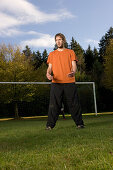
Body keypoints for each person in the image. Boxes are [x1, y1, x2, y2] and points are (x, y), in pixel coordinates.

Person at [46, 33, 84, 130]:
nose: (58, 42)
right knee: (54, 105)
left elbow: (74, 66)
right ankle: (50, 125)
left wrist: (73, 72)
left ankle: (80, 124)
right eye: (56, 40)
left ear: (64, 40)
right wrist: (48, 74)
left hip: (69, 81)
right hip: (56, 83)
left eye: (60, 39)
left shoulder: (70, 52)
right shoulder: (52, 54)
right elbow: (49, 68)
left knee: (74, 104)